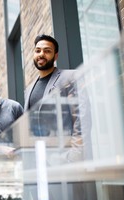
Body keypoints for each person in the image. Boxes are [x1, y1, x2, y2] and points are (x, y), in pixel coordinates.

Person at [24, 34, 91, 162]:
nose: (41, 54)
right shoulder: (28, 90)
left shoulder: (70, 77)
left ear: (55, 56)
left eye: (47, 51)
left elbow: (82, 117)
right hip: (38, 160)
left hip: (65, 157)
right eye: (38, 50)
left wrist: (75, 154)